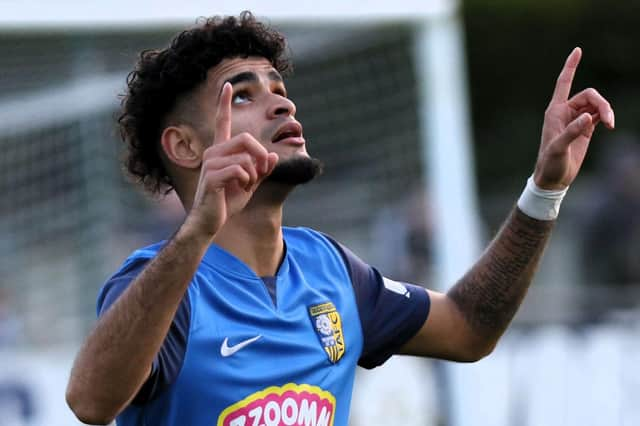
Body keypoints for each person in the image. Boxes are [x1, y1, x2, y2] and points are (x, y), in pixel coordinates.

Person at [65, 12, 615, 426]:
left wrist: (545, 189)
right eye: (245, 96)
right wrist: (197, 234)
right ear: (185, 146)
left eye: (281, 92)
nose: (284, 106)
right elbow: (90, 402)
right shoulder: (161, 284)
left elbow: (471, 328)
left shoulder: (329, 270)